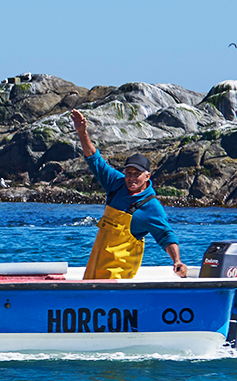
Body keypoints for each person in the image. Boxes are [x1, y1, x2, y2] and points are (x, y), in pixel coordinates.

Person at [70, 108, 187, 279]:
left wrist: (177, 261)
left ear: (147, 176)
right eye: (128, 172)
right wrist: (82, 133)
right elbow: (94, 159)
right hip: (93, 274)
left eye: (136, 174)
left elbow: (166, 235)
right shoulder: (116, 183)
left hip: (118, 279)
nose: (131, 178)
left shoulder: (151, 206)